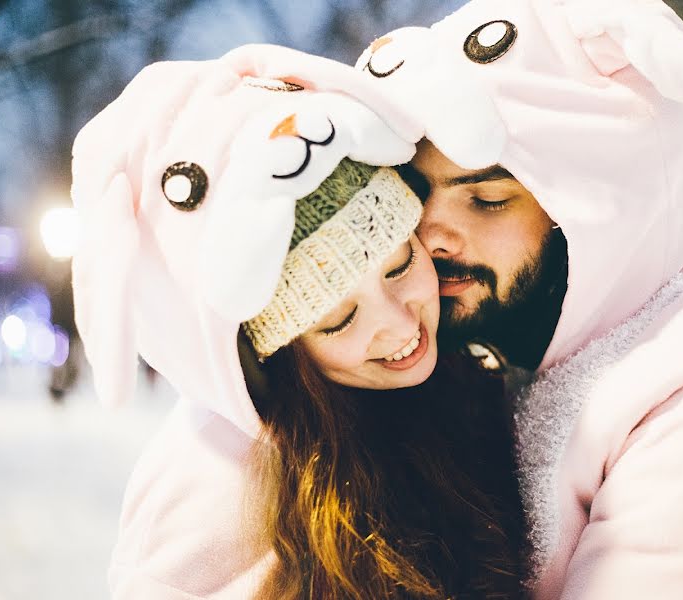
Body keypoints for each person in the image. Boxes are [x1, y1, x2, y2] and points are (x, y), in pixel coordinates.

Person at [357, 0, 683, 598]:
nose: (430, 234)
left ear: (595, 206)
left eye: (488, 199)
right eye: (414, 194)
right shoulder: (501, 352)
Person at [71, 45, 525, 599]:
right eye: (336, 319)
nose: (397, 322)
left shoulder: (474, 380)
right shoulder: (215, 490)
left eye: (400, 264)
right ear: (275, 352)